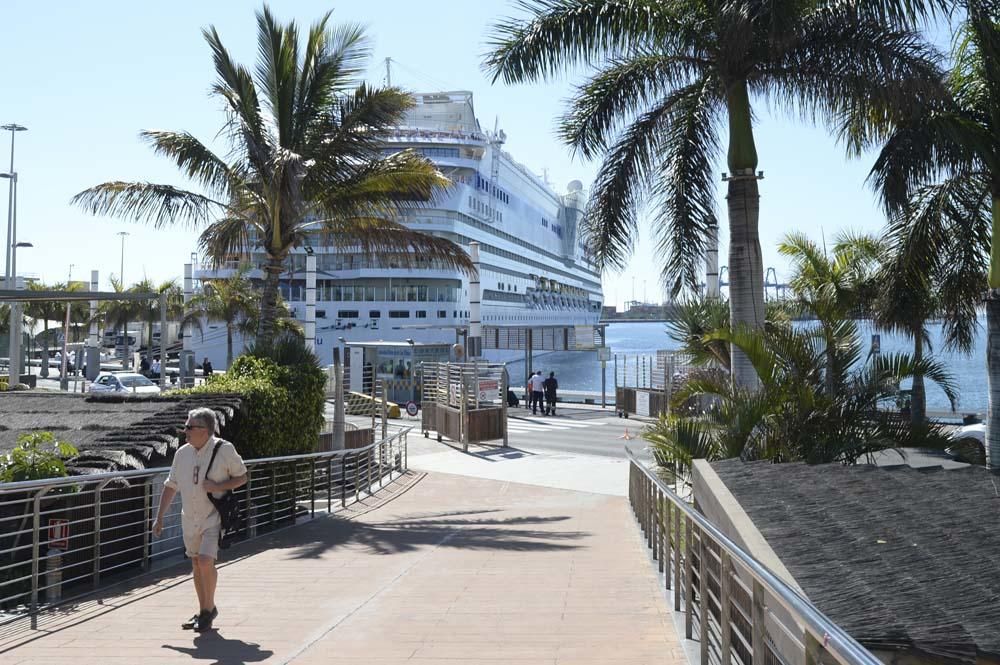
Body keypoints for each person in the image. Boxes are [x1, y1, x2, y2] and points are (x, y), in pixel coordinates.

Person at [152, 407, 248, 632]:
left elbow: (242, 476)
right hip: (190, 518)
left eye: (189, 427)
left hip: (213, 517)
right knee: (196, 563)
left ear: (205, 431)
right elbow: (170, 486)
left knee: (205, 561)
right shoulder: (182, 453)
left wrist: (218, 486)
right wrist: (159, 517)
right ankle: (204, 610)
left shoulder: (224, 449)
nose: (184, 431)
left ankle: (208, 609)